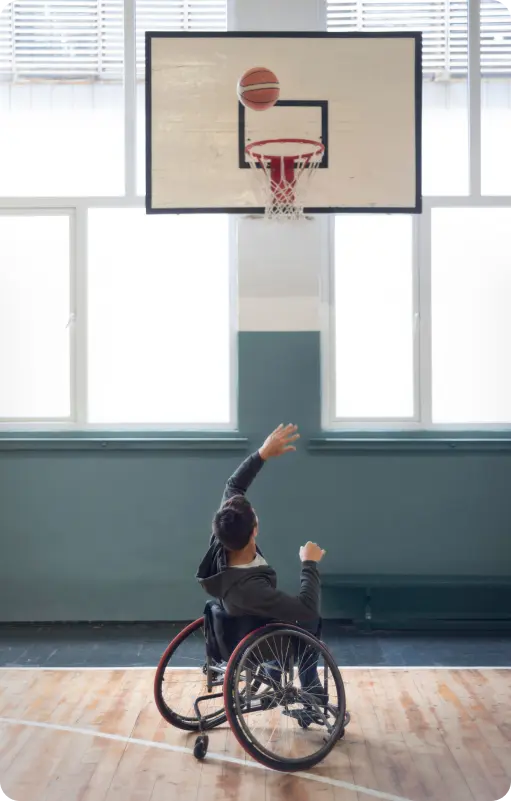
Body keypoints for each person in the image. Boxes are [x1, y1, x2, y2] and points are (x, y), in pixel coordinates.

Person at [196, 423, 326, 696]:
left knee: (291, 615)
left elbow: (234, 485)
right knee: (311, 622)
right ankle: (313, 693)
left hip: (238, 621)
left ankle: (275, 673)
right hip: (261, 636)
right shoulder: (251, 588)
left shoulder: (223, 536)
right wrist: (309, 563)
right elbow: (307, 609)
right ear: (254, 530)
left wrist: (262, 453)